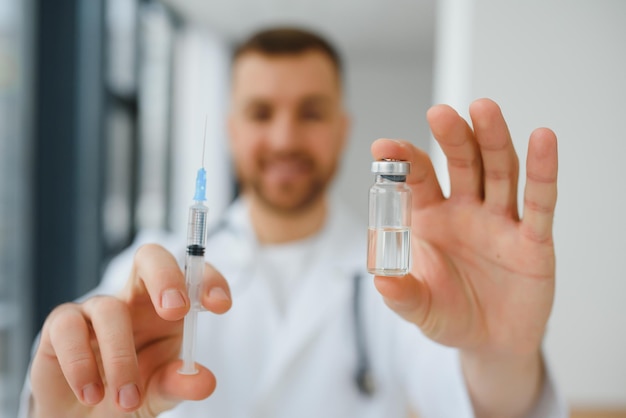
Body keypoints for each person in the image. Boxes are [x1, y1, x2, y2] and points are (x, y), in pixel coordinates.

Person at [20, 27, 566, 418]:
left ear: (343, 127)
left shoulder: (407, 276)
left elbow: (478, 401)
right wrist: (64, 409)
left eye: (310, 112)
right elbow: (82, 373)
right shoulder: (152, 269)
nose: (284, 139)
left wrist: (500, 355)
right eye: (261, 113)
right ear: (232, 130)